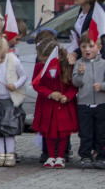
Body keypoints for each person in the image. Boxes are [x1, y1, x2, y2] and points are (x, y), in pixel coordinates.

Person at [0, 36, 26, 168]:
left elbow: (24, 76)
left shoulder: (14, 60)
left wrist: (16, 84)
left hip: (9, 100)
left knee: (9, 129)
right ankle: (0, 154)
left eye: (1, 57)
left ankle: (10, 154)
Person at [32, 41, 77, 169]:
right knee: (48, 131)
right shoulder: (39, 67)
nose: (43, 60)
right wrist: (50, 93)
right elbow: (36, 84)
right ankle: (51, 156)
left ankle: (61, 156)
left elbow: (74, 86)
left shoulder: (67, 67)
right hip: (47, 104)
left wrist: (67, 96)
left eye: (46, 58)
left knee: (63, 132)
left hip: (64, 105)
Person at [72, 33, 105, 168]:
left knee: (101, 132)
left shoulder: (103, 64)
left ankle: (101, 156)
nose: (87, 49)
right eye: (84, 46)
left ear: (99, 47)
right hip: (84, 104)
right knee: (85, 132)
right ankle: (85, 156)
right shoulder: (79, 64)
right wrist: (80, 74)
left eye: (91, 46)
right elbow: (75, 83)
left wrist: (102, 86)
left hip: (101, 104)